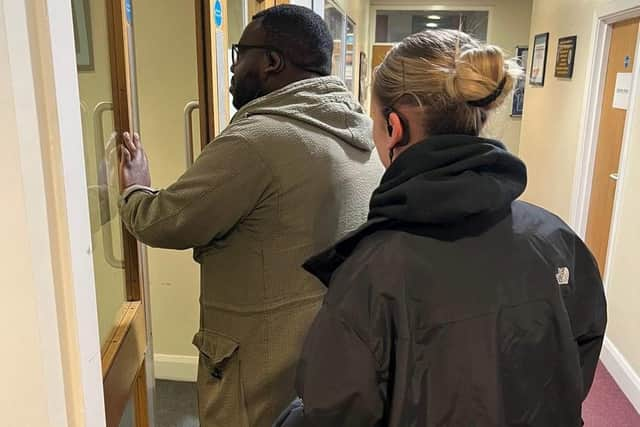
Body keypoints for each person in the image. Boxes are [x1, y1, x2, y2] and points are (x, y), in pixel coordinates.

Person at [275, 29, 607, 427]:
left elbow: (334, 412)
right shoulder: (556, 239)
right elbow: (575, 367)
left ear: (394, 128)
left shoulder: (374, 269)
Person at [118, 5, 383, 427]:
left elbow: (164, 221)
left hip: (259, 367)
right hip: (325, 351)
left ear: (272, 61)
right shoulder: (359, 134)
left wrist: (135, 188)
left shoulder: (258, 141)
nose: (233, 68)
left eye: (240, 54)